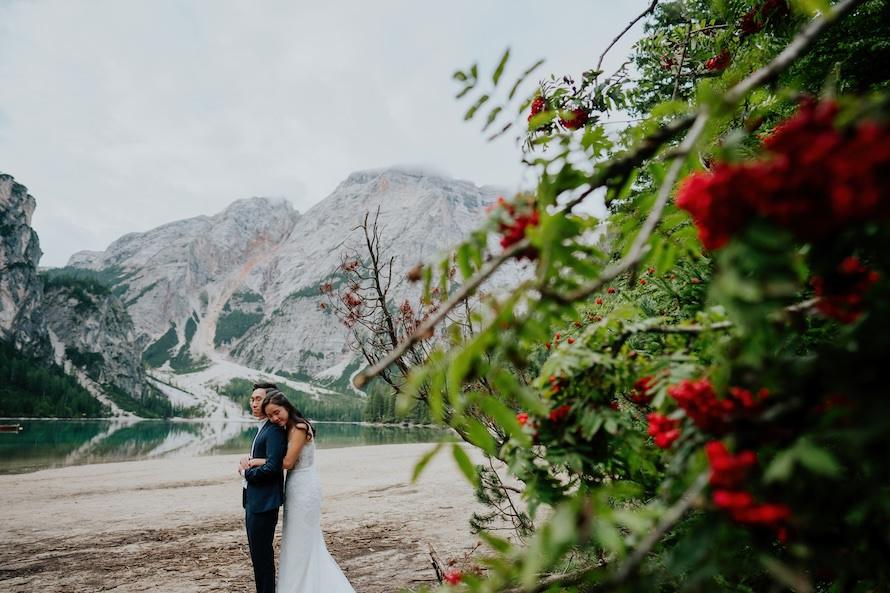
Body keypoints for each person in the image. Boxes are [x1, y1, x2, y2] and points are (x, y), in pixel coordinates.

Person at [245, 390, 355, 593]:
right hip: (295, 486)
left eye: (277, 412)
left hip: (304, 487)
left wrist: (256, 462)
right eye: (270, 416)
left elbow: (286, 462)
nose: (275, 418)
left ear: (286, 406)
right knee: (294, 538)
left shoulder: (300, 428)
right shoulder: (288, 428)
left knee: (304, 539)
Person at [239, 382, 287, 593]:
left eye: (258, 399)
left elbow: (272, 468)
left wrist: (245, 472)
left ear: (270, 401)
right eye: (252, 399)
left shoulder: (274, 429)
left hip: (264, 503)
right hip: (255, 500)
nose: (254, 403)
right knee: (258, 557)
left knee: (262, 558)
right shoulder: (264, 428)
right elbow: (267, 460)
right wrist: (252, 461)